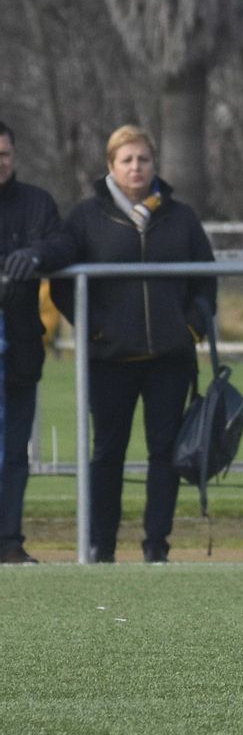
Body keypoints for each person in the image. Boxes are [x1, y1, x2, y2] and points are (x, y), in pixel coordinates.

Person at [27, 125, 216, 563]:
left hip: (169, 358)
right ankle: (102, 545)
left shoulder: (180, 216)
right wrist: (93, 329)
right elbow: (62, 285)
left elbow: (205, 278)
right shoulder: (87, 218)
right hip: (110, 360)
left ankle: (156, 546)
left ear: (154, 164)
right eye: (127, 160)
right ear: (110, 165)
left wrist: (190, 328)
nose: (136, 167)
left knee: (165, 454)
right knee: (107, 453)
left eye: (143, 159)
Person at [0, 120, 63, 564]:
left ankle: (9, 542)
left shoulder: (37, 203)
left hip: (19, 348)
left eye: (3, 154)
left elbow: (63, 244)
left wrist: (36, 255)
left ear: (14, 156)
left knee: (13, 451)